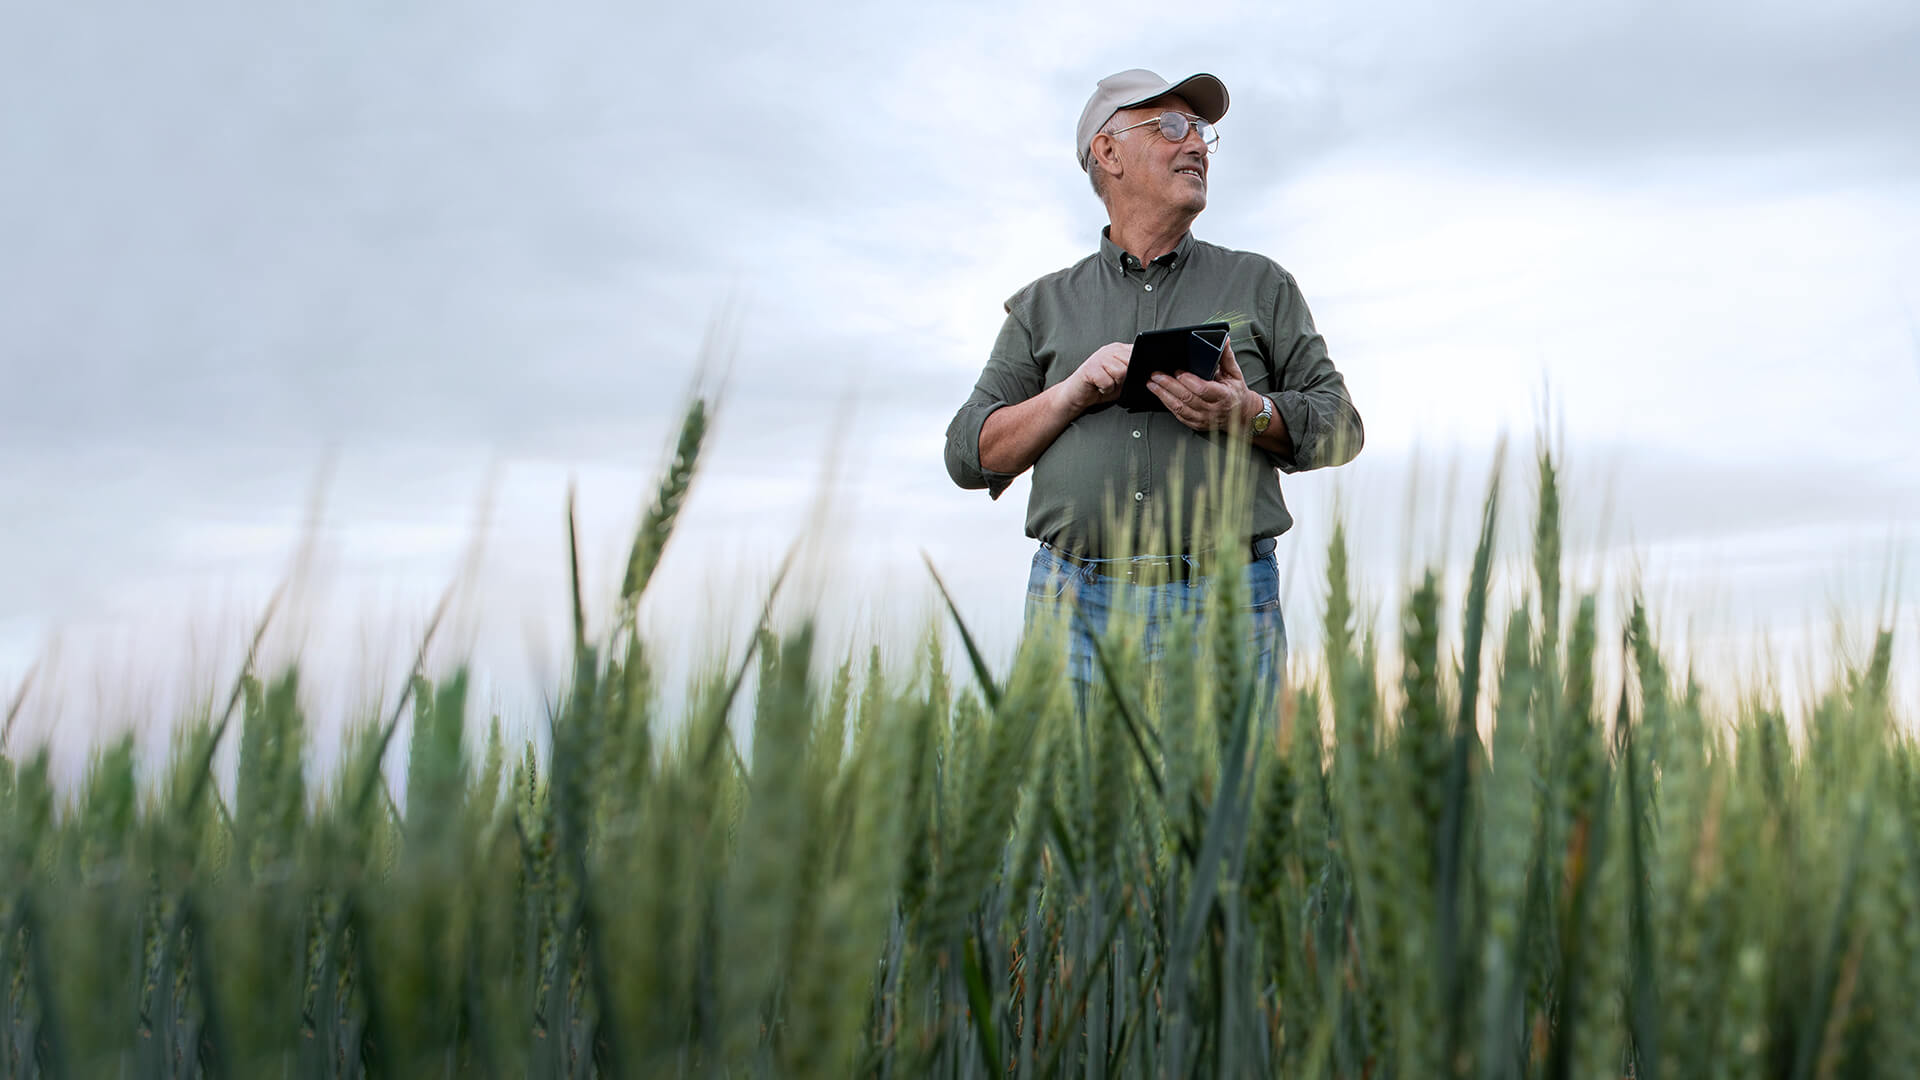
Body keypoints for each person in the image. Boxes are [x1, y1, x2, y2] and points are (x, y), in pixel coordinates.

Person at [942, 69, 1364, 703]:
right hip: (1074, 605)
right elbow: (967, 454)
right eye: (1171, 126)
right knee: (1077, 804)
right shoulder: (1042, 307)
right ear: (1107, 153)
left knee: (1234, 804)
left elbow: (1342, 427)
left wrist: (1248, 411)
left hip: (1229, 603)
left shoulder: (1263, 285)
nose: (1195, 143)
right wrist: (1071, 393)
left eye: (1201, 131)